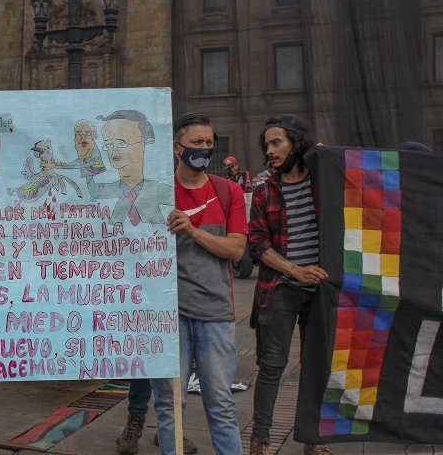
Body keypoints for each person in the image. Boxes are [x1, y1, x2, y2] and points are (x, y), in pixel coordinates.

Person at [149, 112, 247, 455]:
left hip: (215, 313)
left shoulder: (229, 191)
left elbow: (236, 250)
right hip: (167, 317)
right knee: (169, 403)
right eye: (196, 142)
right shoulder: (157, 192)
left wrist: (192, 231)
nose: (204, 148)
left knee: (220, 404)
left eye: (209, 142)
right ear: (177, 148)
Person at [247, 115, 332, 455]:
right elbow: (258, 244)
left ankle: (313, 440)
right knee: (272, 366)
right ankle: (260, 440)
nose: (269, 150)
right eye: (266, 144)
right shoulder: (264, 190)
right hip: (280, 287)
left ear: (297, 143)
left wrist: (329, 158)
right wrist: (296, 271)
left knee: (316, 367)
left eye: (276, 142)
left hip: (322, 290)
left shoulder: (323, 183)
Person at [86, 110, 171, 225]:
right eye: (109, 145)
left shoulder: (161, 191)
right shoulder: (104, 191)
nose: (114, 150)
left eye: (122, 144)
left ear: (146, 141)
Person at [42, 119, 106, 179]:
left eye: (87, 133)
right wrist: (54, 165)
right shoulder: (85, 153)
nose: (83, 137)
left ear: (93, 134)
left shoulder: (93, 155)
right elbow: (74, 163)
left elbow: (79, 166)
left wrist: (54, 166)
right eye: (79, 133)